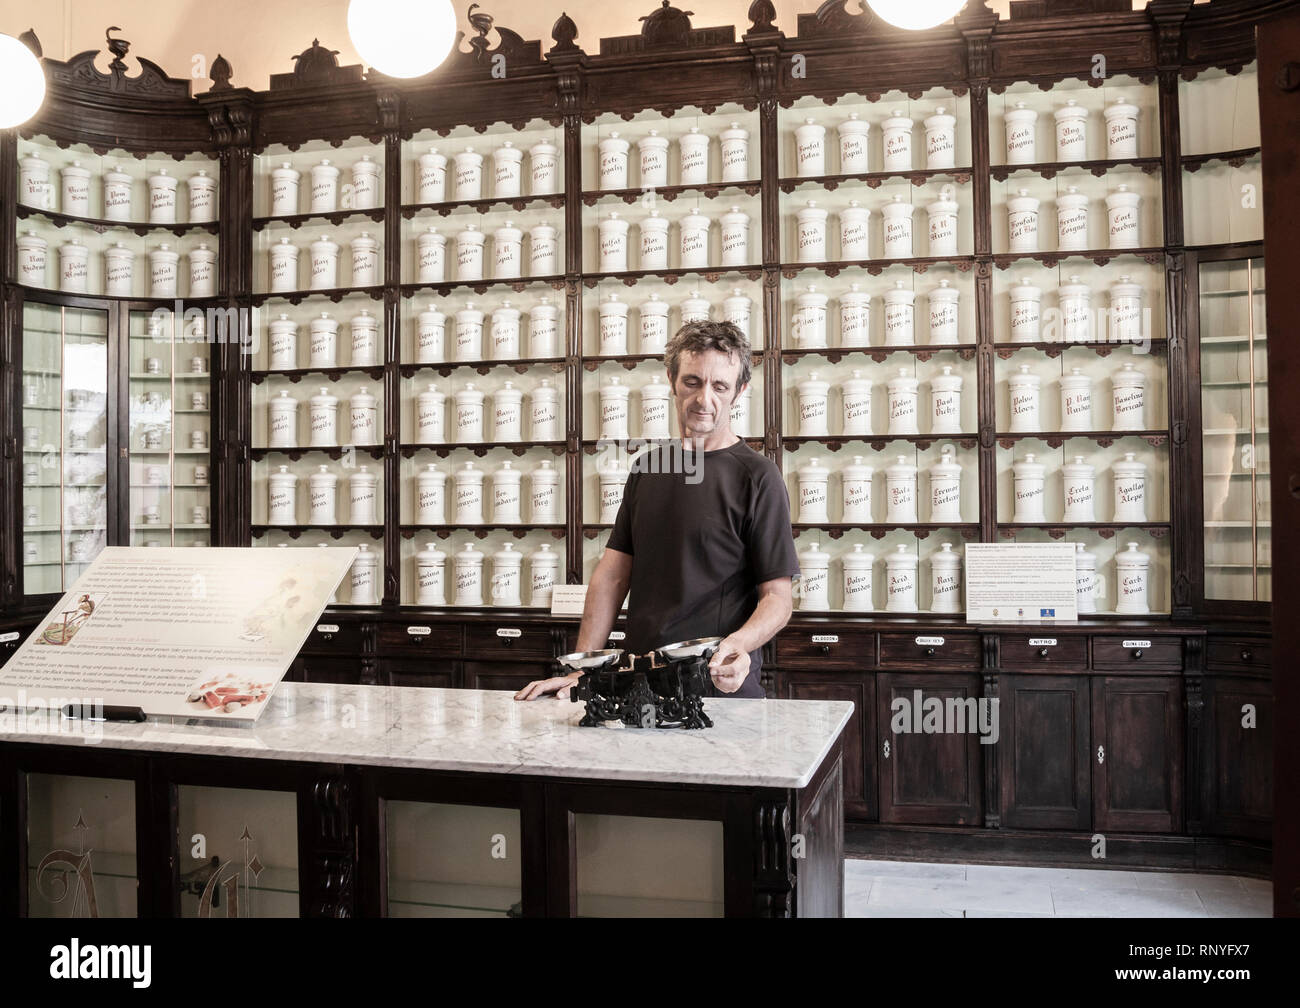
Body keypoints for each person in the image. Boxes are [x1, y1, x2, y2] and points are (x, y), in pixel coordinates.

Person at [515, 319, 799, 702]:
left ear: (740, 391)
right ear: (672, 380)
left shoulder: (758, 477)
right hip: (641, 688)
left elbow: (778, 599)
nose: (704, 400)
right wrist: (581, 670)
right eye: (692, 382)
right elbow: (612, 577)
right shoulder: (647, 468)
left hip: (717, 687)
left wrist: (738, 645)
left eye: (720, 386)